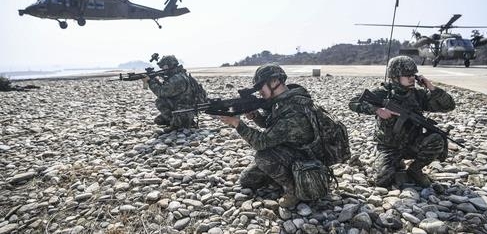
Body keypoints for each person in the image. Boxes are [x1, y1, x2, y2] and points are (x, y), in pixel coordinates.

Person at [217, 63, 326, 208]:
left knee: (263, 157)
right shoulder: (281, 102)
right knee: (247, 180)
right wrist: (256, 117)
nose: (259, 92)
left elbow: (261, 142)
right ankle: (284, 176)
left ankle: (294, 191)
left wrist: (237, 123)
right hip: (290, 150)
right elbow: (272, 125)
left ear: (275, 81)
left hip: (305, 156)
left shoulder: (294, 109)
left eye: (260, 86)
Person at [349, 55, 456, 187]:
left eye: (413, 75)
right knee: (381, 180)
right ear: (395, 77)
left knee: (437, 138)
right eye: (407, 75)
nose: (412, 78)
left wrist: (432, 88)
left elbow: (449, 106)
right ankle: (361, 165)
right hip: (389, 147)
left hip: (412, 144)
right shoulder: (383, 93)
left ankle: (415, 170)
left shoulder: (418, 95)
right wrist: (377, 110)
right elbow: (353, 102)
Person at [143, 55, 207, 130]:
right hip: (186, 107)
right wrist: (154, 79)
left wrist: (150, 82)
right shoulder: (180, 75)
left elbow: (161, 92)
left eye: (164, 67)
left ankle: (179, 124)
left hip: (185, 109)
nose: (163, 69)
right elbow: (167, 89)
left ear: (169, 65)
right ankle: (181, 120)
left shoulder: (177, 79)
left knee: (160, 101)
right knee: (159, 120)